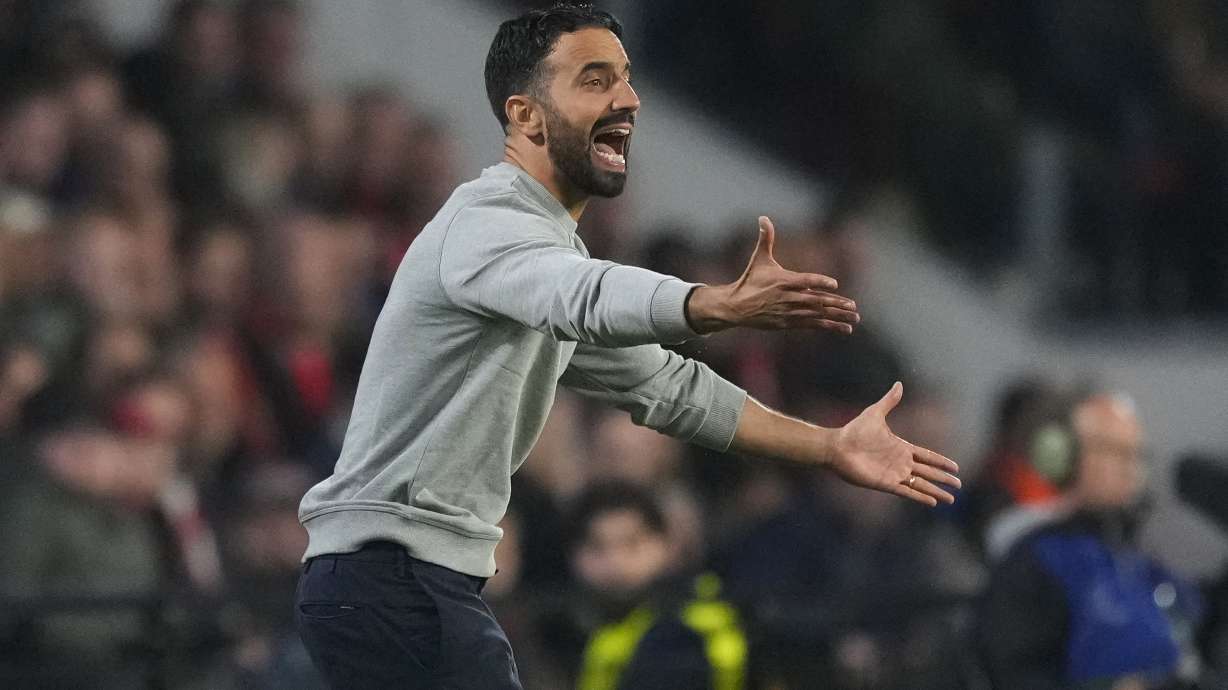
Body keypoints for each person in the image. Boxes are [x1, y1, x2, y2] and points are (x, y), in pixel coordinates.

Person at [293, 4, 961, 689]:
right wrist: (712, 302)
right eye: (594, 79)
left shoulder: (533, 258)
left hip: (395, 584)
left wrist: (826, 446)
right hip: (393, 578)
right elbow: (583, 294)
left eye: (627, 78)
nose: (629, 99)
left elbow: (667, 388)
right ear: (525, 115)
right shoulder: (487, 223)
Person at [978, 392, 1203, 690]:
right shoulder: (1038, 560)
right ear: (1063, 455)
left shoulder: (1133, 551)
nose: (1130, 466)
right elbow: (1015, 673)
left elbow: (1191, 622)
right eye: (1113, 450)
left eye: (1136, 453)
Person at [567, 481, 746, 690]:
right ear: (572, 553)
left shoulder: (682, 632)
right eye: (597, 547)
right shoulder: (564, 626)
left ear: (665, 544)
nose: (615, 562)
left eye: (632, 544)